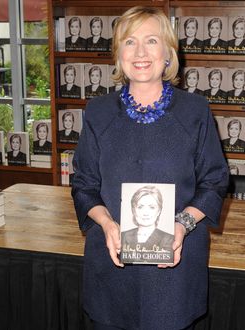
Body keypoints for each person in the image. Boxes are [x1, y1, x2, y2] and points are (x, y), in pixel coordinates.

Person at [71, 6, 229, 330]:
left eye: (152, 41)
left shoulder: (195, 111)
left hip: (175, 270)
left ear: (168, 54)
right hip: (112, 268)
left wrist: (182, 224)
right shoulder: (98, 112)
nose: (140, 52)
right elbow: (84, 183)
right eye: (129, 42)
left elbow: (215, 180)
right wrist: (106, 223)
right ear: (118, 55)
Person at [121, 185, 174, 262]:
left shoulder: (169, 239)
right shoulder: (123, 236)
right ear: (133, 210)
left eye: (152, 207)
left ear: (159, 211)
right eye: (140, 207)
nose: (145, 213)